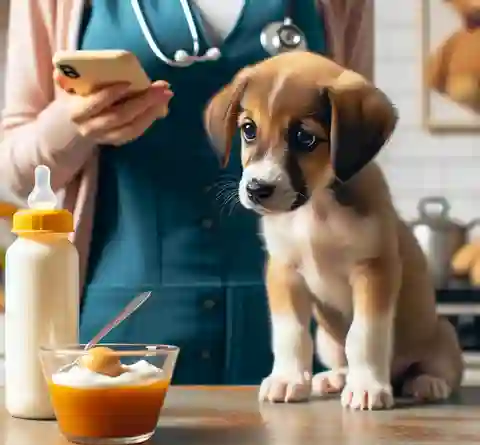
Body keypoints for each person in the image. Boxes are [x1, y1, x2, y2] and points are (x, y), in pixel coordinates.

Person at [0, 0, 374, 385]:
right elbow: (17, 175)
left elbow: (355, 155)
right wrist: (74, 124)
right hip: (123, 324)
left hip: (301, 335)